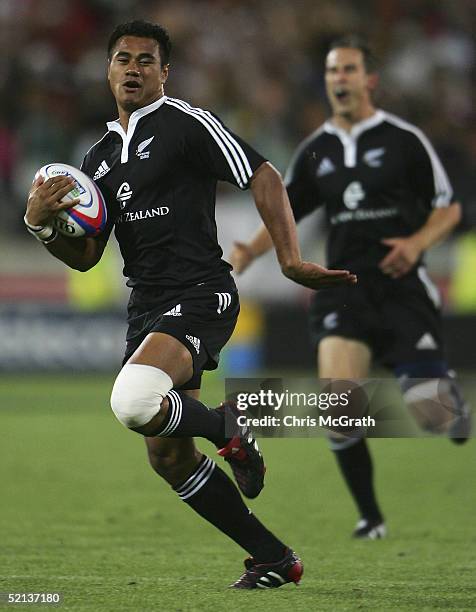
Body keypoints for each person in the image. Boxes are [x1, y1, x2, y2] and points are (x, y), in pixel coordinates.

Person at [24, 20, 357, 588]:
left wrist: (289, 258)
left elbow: (264, 174)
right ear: (107, 70)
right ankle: (275, 558)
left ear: (163, 72)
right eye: (123, 58)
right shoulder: (99, 157)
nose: (133, 68)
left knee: (131, 401)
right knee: (168, 458)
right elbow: (86, 256)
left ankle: (229, 427)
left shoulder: (186, 123)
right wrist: (39, 223)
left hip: (201, 292)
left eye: (146, 60)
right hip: (146, 306)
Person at [230, 35, 471, 540]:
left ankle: (449, 407)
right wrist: (248, 252)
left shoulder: (404, 140)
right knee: (340, 403)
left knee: (432, 414)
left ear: (370, 79)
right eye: (332, 71)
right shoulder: (316, 151)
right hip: (343, 289)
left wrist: (416, 242)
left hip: (402, 289)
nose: (339, 78)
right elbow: (284, 210)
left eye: (349, 70)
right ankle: (370, 517)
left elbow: (448, 208)